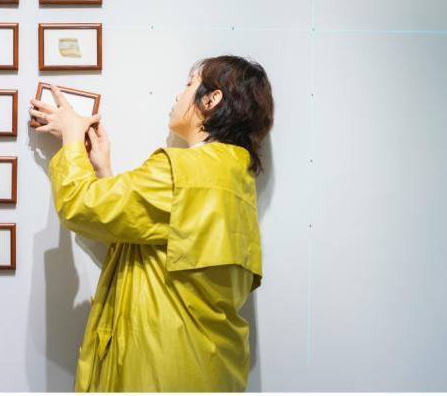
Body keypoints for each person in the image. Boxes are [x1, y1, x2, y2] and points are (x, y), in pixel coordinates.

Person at [28, 54, 274, 392]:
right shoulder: (236, 180)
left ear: (211, 99)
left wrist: (71, 141)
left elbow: (80, 206)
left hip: (158, 371)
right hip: (209, 370)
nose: (178, 96)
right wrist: (105, 172)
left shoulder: (180, 173)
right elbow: (162, 250)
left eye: (189, 85)